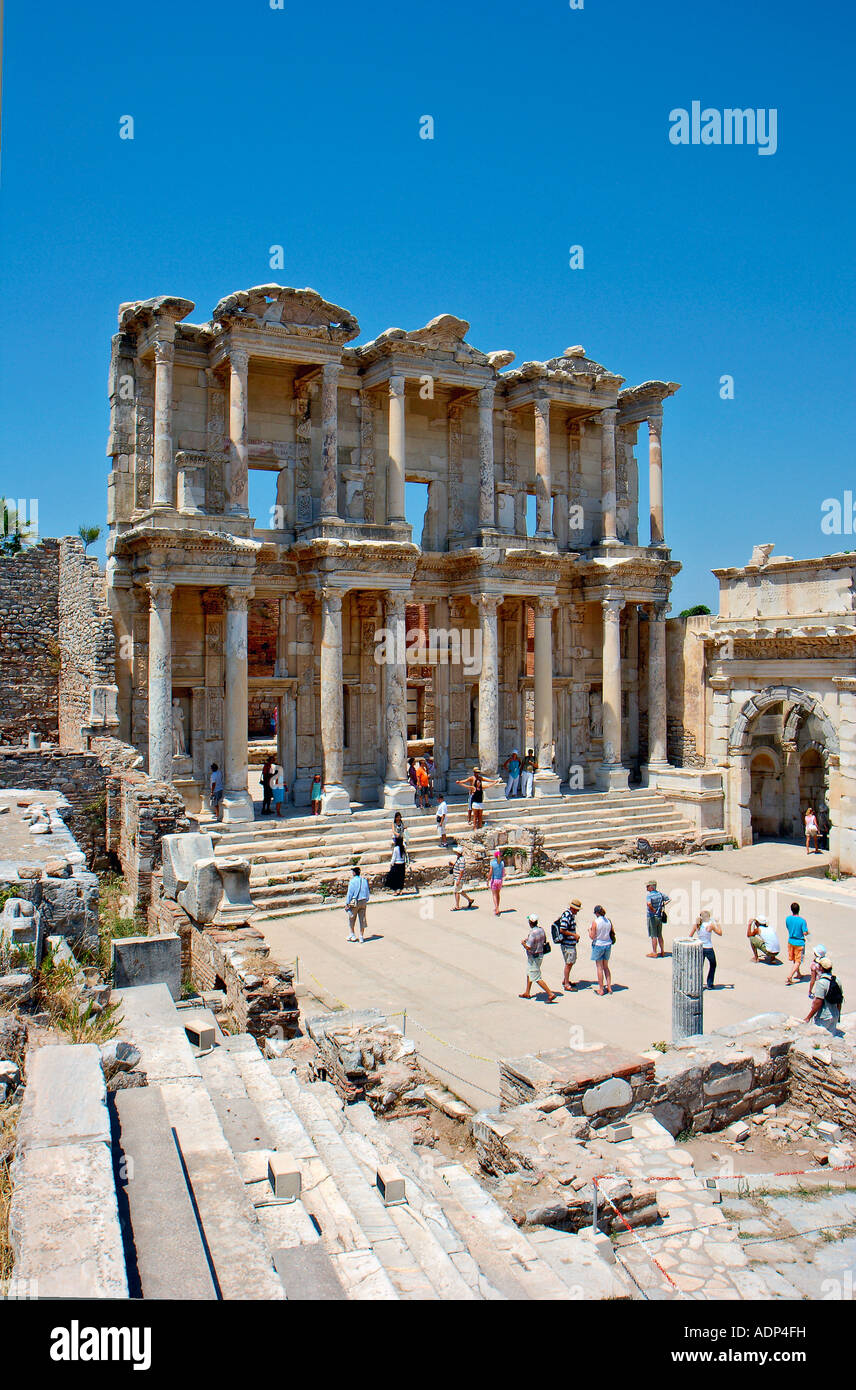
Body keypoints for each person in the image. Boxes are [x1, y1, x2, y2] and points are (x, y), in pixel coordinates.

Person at [519, 914, 558, 1002]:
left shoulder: (533, 933)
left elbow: (528, 947)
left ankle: (550, 994)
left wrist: (523, 943)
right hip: (540, 955)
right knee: (529, 973)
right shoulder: (541, 930)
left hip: (534, 957)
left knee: (536, 977)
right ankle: (527, 992)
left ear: (530, 922)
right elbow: (543, 940)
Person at [805, 957, 842, 1034]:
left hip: (824, 1017)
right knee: (830, 1039)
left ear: (821, 968)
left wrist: (808, 1017)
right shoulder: (837, 980)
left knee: (819, 1039)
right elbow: (839, 1000)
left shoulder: (821, 982)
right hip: (835, 1015)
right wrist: (838, 1015)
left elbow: (818, 1002)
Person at [690, 909, 722, 989]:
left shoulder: (697, 925)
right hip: (708, 948)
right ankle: (709, 983)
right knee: (713, 964)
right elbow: (720, 933)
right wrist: (717, 923)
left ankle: (697, 984)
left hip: (700, 947)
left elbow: (690, 936)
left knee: (699, 967)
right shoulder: (710, 926)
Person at [555, 897, 582, 991]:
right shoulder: (567, 916)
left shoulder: (569, 915)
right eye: (577, 910)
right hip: (568, 944)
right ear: (573, 908)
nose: (577, 912)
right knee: (569, 963)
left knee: (570, 962)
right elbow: (562, 930)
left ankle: (566, 980)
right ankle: (566, 984)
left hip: (570, 943)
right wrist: (574, 935)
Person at [589, 904, 615, 996]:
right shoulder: (608, 921)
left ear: (596, 913)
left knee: (599, 968)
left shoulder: (595, 922)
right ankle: (609, 987)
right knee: (606, 967)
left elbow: (592, 936)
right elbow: (612, 932)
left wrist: (589, 931)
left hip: (598, 945)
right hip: (608, 944)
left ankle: (601, 989)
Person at [785, 901, 809, 985]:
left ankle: (798, 973)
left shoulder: (788, 919)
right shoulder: (802, 921)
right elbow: (805, 932)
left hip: (791, 941)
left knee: (795, 959)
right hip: (799, 942)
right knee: (798, 961)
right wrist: (808, 933)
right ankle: (790, 976)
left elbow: (788, 927)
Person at [345, 863, 371, 943]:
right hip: (363, 901)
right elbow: (367, 891)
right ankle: (361, 936)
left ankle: (352, 934)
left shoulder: (352, 882)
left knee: (352, 918)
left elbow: (350, 893)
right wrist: (366, 899)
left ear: (354, 873)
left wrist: (347, 903)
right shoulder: (364, 880)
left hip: (355, 902)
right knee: (362, 919)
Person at [645, 880, 670, 958]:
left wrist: (652, 909)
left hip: (652, 917)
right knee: (659, 935)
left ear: (651, 887)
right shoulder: (660, 894)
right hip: (659, 917)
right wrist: (663, 905)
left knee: (653, 935)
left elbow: (648, 903)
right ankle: (662, 951)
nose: (646, 887)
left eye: (648, 886)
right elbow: (668, 899)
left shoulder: (649, 895)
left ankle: (654, 952)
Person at [487, 848, 505, 916]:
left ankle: (496, 908)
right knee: (498, 894)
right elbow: (503, 872)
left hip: (494, 880)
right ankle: (498, 907)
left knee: (494, 895)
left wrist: (488, 880)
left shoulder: (492, 863)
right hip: (500, 880)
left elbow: (490, 872)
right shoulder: (502, 863)